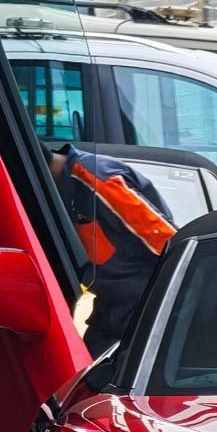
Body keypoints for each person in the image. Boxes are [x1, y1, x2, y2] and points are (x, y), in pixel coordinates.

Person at [47, 144, 176, 357]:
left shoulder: (96, 179)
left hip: (145, 310)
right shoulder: (63, 192)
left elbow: (167, 243)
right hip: (110, 310)